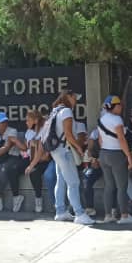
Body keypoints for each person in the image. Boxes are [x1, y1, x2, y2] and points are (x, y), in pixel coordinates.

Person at [38, 89, 94, 225]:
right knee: (73, 183)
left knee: (61, 180)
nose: (76, 100)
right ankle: (79, 213)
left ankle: (60, 211)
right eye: (75, 97)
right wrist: (79, 148)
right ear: (68, 96)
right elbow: (69, 135)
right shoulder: (67, 111)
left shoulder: (55, 111)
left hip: (56, 151)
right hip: (65, 151)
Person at [97, 95, 132, 224]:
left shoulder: (101, 119)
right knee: (122, 186)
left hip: (103, 153)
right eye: (119, 104)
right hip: (116, 155)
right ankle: (124, 216)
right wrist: (129, 157)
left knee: (109, 185)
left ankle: (108, 215)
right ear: (113, 106)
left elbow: (100, 140)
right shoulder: (117, 120)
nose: (121, 107)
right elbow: (122, 139)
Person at [22, 110, 51, 213]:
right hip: (35, 159)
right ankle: (38, 198)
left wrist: (31, 165)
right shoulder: (30, 132)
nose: (26, 122)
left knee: (34, 169)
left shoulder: (44, 130)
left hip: (46, 159)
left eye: (28, 120)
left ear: (35, 120)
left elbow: (42, 153)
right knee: (33, 172)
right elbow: (27, 148)